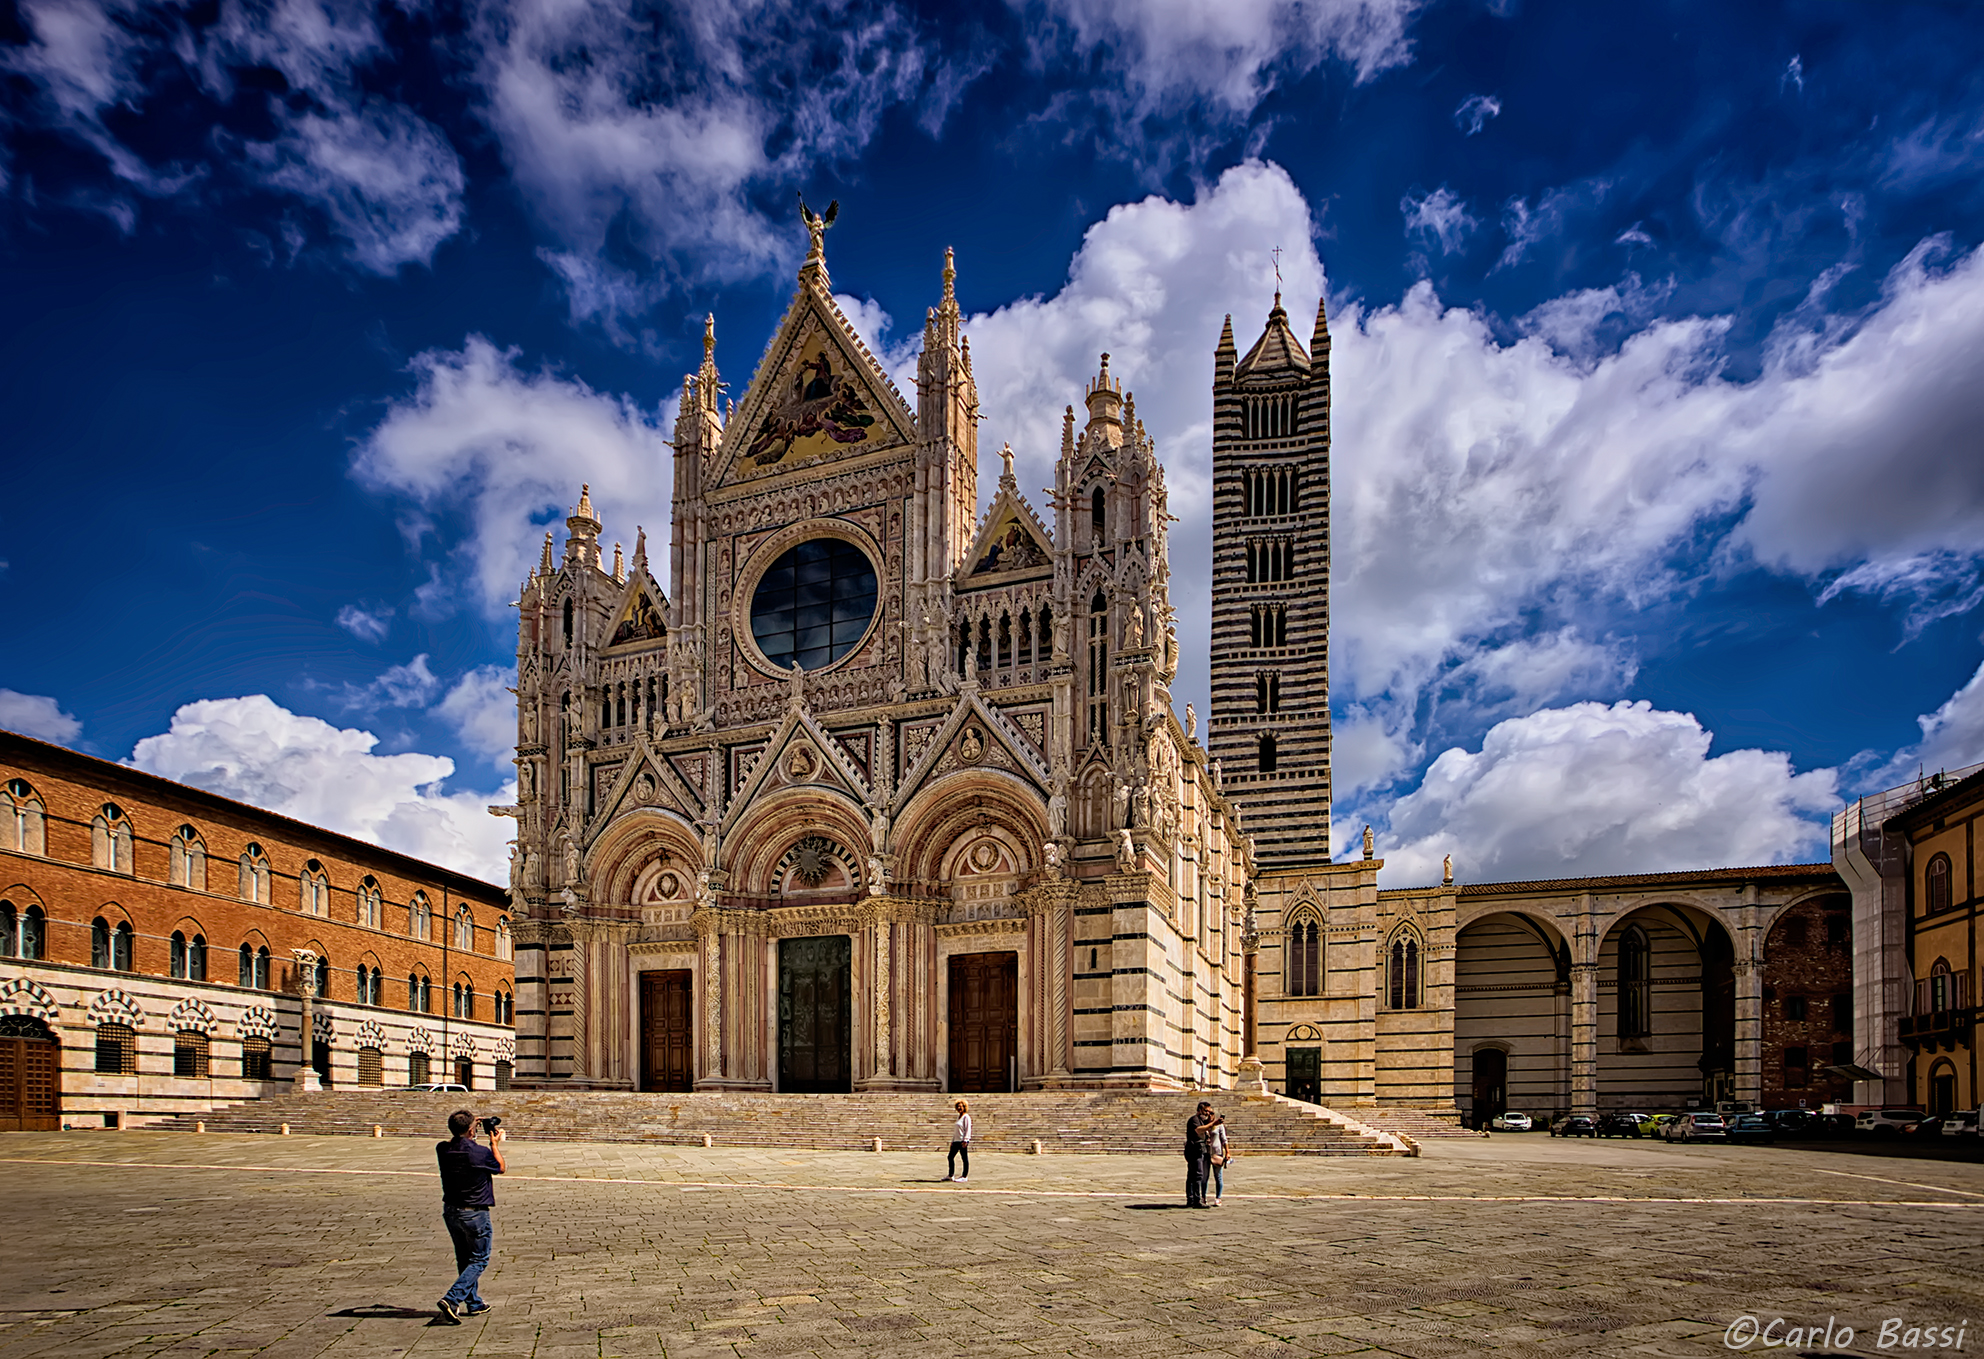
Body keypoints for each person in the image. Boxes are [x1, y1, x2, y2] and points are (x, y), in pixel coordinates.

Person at [435, 1109, 506, 1323]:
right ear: (471, 1130)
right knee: (479, 1259)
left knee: (464, 1259)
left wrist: (469, 1125)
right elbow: (500, 1167)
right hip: (474, 1212)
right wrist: (494, 1144)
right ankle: (452, 1299)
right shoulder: (479, 1152)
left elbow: (455, 1139)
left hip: (451, 1211)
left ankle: (474, 1302)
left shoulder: (443, 1149)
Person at [1183, 1101, 1213, 1207]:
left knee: (1193, 1175)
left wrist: (1211, 1119)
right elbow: (1199, 1130)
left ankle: (1191, 1198)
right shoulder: (1194, 1120)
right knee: (1197, 1174)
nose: (1207, 1113)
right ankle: (1196, 1199)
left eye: (1209, 1111)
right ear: (1199, 1110)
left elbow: (1208, 1126)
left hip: (1199, 1149)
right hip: (1194, 1150)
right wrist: (1213, 1123)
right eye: (1206, 1111)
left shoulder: (1202, 1121)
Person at [1203, 1112, 1231, 1206]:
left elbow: (1224, 1139)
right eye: (1208, 1113)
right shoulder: (1203, 1124)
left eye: (1211, 1113)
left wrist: (1227, 1152)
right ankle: (1203, 1197)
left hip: (1216, 1153)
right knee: (1204, 1177)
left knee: (1218, 1176)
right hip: (1206, 1153)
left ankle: (1218, 1198)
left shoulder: (1219, 1126)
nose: (1209, 1115)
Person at [948, 1100, 972, 1183]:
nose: (959, 1108)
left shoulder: (966, 1117)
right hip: (956, 1140)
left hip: (962, 1141)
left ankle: (964, 1176)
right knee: (950, 1157)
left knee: (964, 1158)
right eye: (957, 1106)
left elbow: (968, 1129)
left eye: (960, 1106)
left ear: (964, 1107)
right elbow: (956, 1131)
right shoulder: (958, 1117)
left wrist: (966, 1139)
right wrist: (953, 1140)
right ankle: (951, 1175)